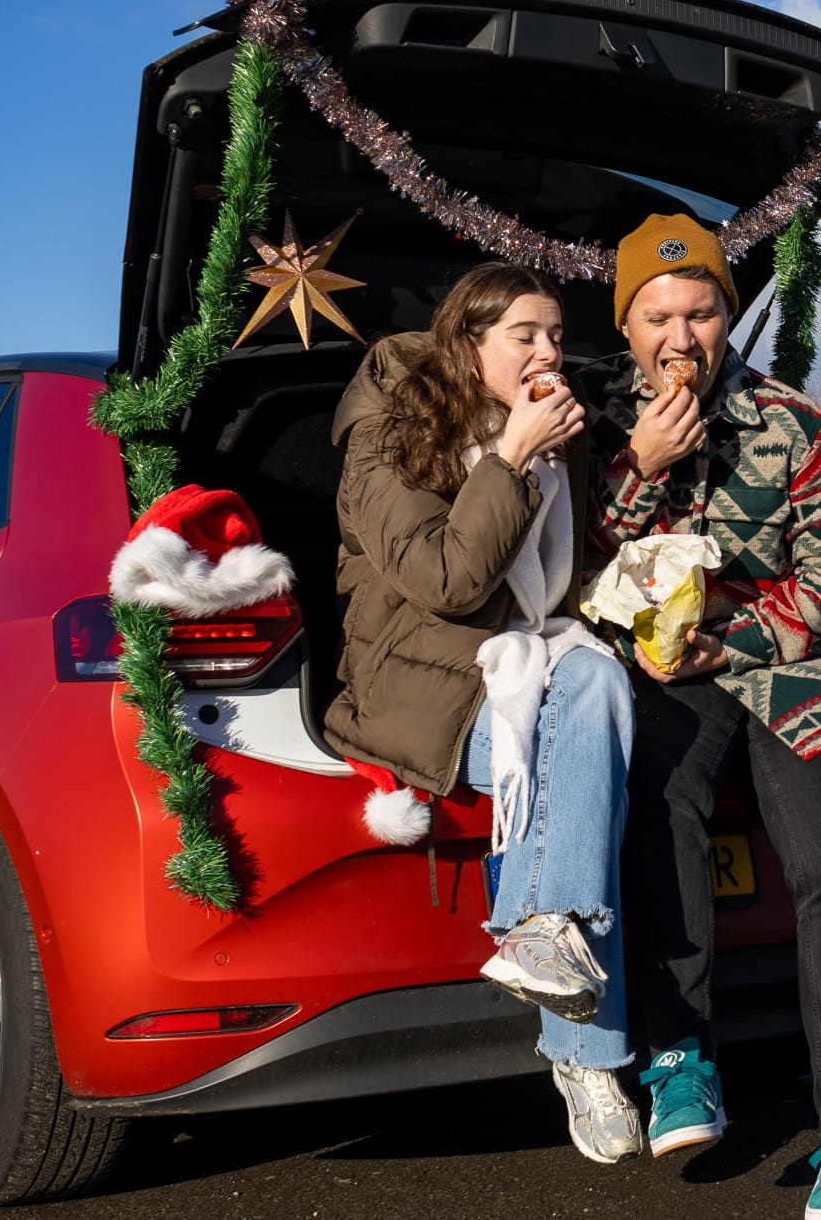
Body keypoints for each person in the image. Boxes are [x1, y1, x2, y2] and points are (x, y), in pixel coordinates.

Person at [584, 213, 821, 1220]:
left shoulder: (795, 424)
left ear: (729, 317)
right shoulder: (591, 421)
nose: (680, 335)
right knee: (656, 796)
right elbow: (574, 569)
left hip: (786, 663)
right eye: (657, 315)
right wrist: (641, 467)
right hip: (666, 668)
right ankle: (679, 1057)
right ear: (627, 328)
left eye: (702, 310)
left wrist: (744, 644)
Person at [322, 262, 644, 1165]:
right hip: (417, 683)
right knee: (574, 734)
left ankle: (543, 936)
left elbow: (563, 587)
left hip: (526, 661)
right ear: (469, 345)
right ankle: (585, 1056)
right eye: (525, 337)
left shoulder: (555, 434)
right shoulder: (387, 437)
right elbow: (449, 580)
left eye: (555, 337)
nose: (549, 353)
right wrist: (509, 458)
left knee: (599, 683)